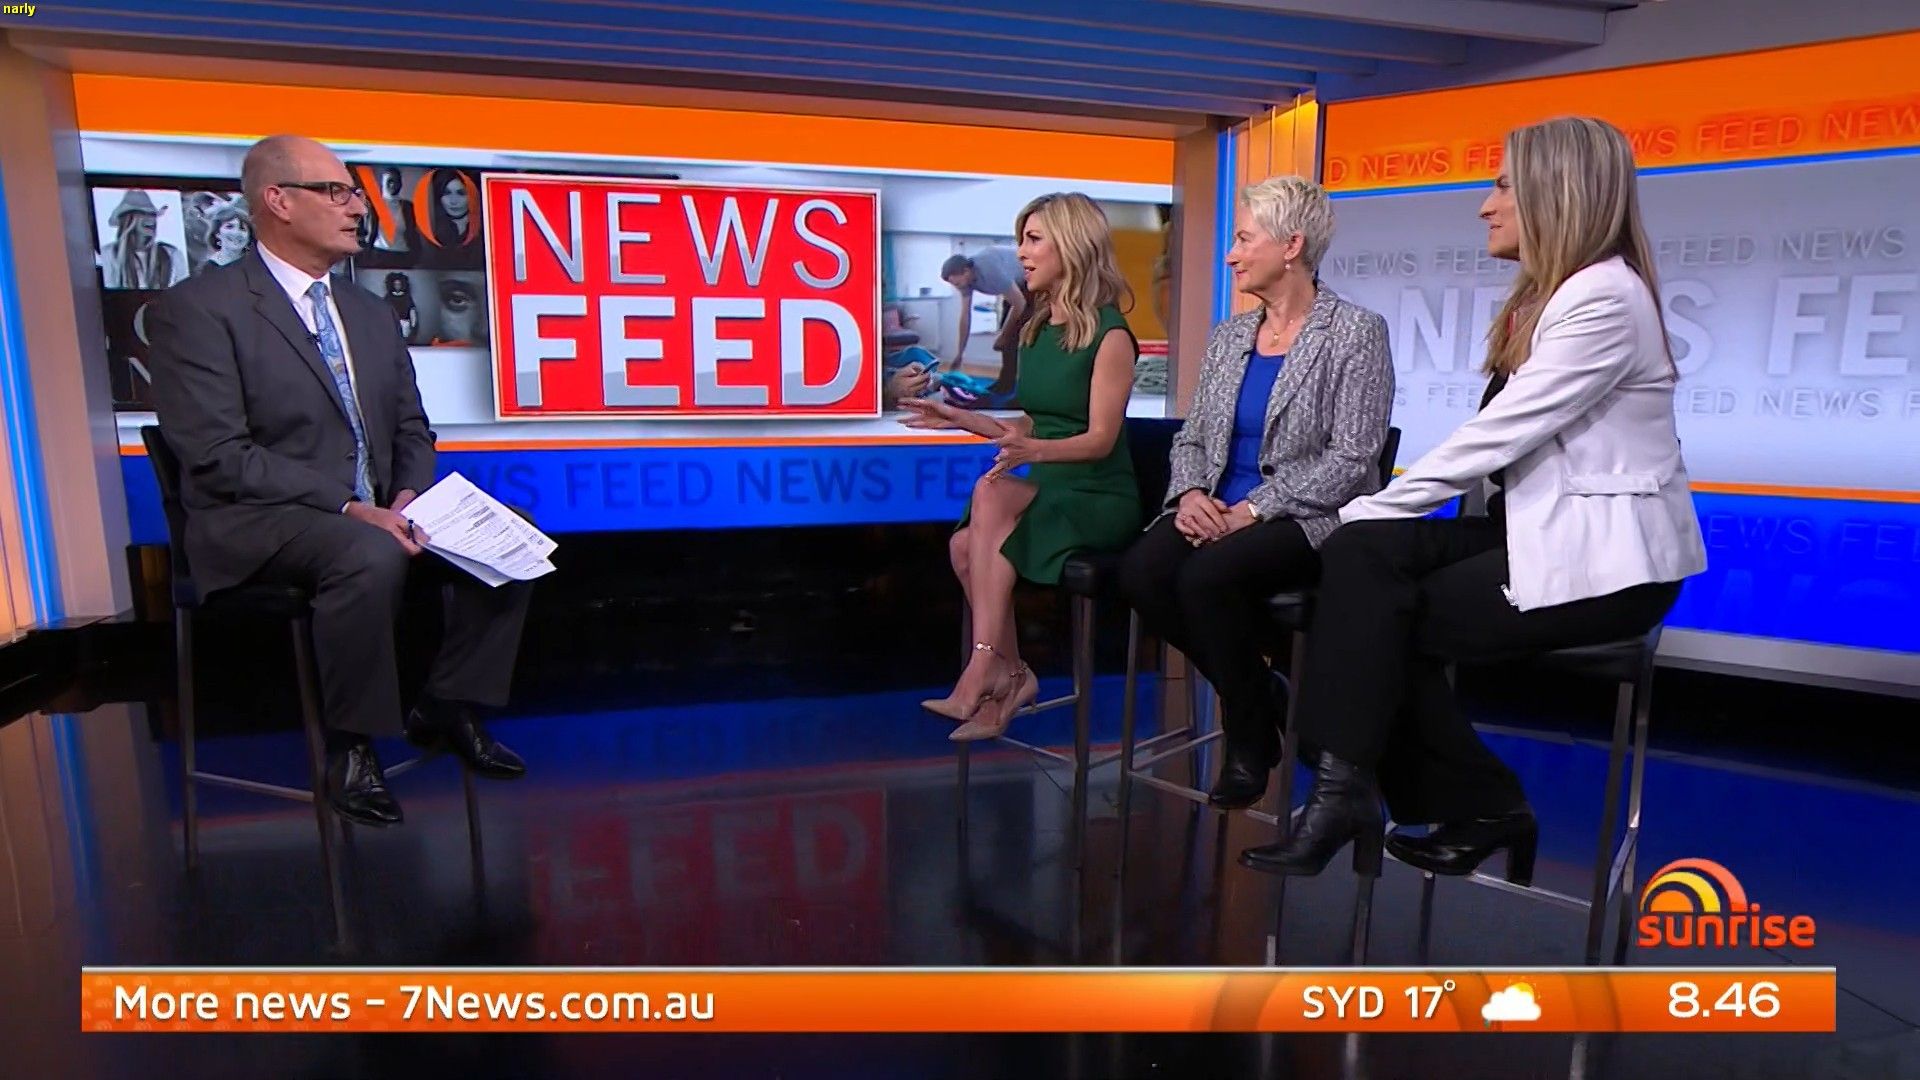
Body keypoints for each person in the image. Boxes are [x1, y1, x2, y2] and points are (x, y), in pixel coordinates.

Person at [1238, 117, 1708, 882]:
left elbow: (1494, 439)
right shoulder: (1552, 297)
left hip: (1609, 566)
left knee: (1373, 615)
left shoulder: (1604, 299)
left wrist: (1357, 507)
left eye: (1502, 187)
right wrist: (1358, 524)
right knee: (1360, 562)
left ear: (1556, 194)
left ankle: (1375, 791)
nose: (1486, 205)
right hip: (1526, 534)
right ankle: (1369, 790)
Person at [146, 135, 532, 829]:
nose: (358, 207)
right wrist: (353, 508)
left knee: (514, 541)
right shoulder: (201, 309)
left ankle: (444, 705)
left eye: (354, 192)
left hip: (377, 513)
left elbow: (411, 427)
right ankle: (352, 746)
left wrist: (407, 496)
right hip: (257, 519)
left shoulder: (368, 311)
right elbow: (218, 456)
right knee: (367, 551)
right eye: (337, 191)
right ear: (277, 201)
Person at [1118, 176, 1394, 810]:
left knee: (1205, 578)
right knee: (1141, 574)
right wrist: (1190, 493)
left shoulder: (1356, 332)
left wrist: (1254, 509)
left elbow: (1354, 458)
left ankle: (1247, 738)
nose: (1231, 255)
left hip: (1306, 514)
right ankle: (1258, 690)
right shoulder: (1229, 337)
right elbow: (1193, 437)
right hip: (1218, 505)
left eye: (1244, 239)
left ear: (1291, 245)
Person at [903, 193, 1139, 742]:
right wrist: (960, 418)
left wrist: (1032, 452)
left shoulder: (1110, 335)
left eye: (1033, 240)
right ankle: (1010, 673)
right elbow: (1033, 425)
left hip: (1097, 494)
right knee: (963, 546)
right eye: (1020, 240)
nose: (1021, 253)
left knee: (990, 494)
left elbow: (1099, 440)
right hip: (1049, 485)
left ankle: (986, 666)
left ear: (1072, 246)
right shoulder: (1035, 328)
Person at [941, 246, 1031, 400]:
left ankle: (1027, 389)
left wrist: (1003, 336)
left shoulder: (989, 269)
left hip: (1031, 282)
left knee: (1024, 336)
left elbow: (1020, 303)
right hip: (1013, 290)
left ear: (966, 271)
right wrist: (960, 354)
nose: (958, 287)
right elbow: (965, 317)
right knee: (1008, 341)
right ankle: (1005, 383)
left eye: (958, 283)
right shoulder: (966, 283)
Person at [100, 190, 188, 289]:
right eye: (142, 213)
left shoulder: (173, 255)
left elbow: (185, 291)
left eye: (153, 214)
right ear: (129, 220)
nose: (151, 219)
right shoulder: (108, 254)